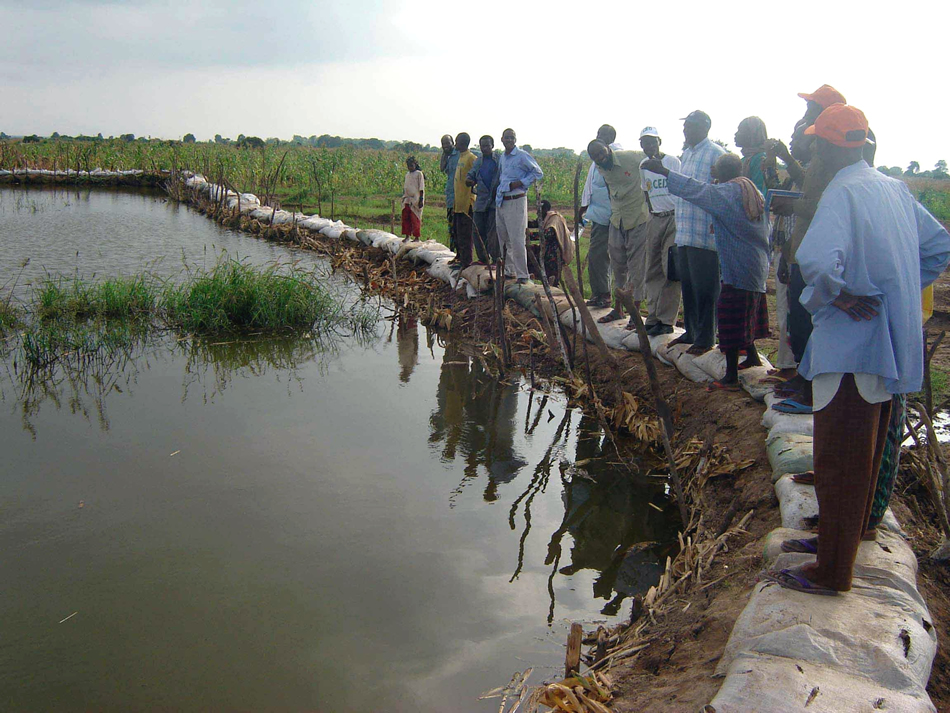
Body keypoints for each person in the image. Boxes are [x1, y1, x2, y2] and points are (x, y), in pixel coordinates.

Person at [761, 104, 950, 595]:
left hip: (850, 347)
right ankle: (836, 543)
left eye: (814, 146)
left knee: (841, 458)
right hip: (884, 346)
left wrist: (840, 295)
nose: (811, 155)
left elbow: (817, 261)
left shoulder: (841, 192)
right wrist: (896, 289)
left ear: (825, 148)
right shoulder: (894, 189)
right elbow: (938, 247)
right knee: (861, 455)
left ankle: (833, 571)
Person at [644, 153, 770, 388]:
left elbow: (695, 190)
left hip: (738, 266)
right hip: (755, 261)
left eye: (716, 168)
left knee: (730, 316)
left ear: (723, 171)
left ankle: (730, 376)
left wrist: (665, 172)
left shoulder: (727, 193)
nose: (712, 171)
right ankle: (752, 356)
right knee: (746, 313)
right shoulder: (749, 188)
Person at [769, 85, 848, 412]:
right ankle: (805, 379)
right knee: (799, 320)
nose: (804, 115)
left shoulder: (834, 158)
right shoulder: (820, 153)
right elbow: (809, 187)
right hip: (803, 246)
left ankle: (812, 388)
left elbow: (824, 203)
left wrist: (792, 206)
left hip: (816, 249)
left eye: (810, 108)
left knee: (807, 321)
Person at [670, 110, 726, 355]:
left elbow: (721, 193)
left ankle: (705, 338)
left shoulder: (716, 154)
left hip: (705, 234)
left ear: (704, 128)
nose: (685, 130)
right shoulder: (687, 154)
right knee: (689, 287)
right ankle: (691, 332)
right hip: (685, 231)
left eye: (690, 126)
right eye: (685, 126)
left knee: (706, 290)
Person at [587, 139, 650, 328]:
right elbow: (610, 189)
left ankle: (635, 313)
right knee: (617, 265)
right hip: (617, 219)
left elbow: (652, 158)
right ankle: (618, 309)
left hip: (638, 219)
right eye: (595, 156)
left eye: (601, 152)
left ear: (608, 148)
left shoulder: (630, 157)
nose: (600, 157)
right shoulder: (600, 167)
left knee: (637, 267)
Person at [638, 127, 681, 336]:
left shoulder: (672, 162)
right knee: (652, 269)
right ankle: (653, 316)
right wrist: (651, 214)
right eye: (645, 143)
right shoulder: (643, 166)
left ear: (659, 142)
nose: (649, 146)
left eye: (652, 142)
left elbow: (680, 188)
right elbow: (646, 192)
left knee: (670, 269)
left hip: (673, 218)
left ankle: (666, 320)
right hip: (655, 218)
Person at [579, 125, 622, 308]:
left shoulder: (617, 156)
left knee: (604, 256)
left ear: (611, 137)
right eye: (597, 134)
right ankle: (598, 293)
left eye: (602, 134)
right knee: (596, 255)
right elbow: (590, 185)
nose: (599, 137)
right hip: (599, 214)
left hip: (613, 215)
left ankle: (605, 295)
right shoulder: (597, 159)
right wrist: (583, 208)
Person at [495, 129, 544, 284]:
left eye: (512, 138)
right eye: (507, 138)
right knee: (504, 239)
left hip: (516, 200)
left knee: (517, 239)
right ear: (502, 139)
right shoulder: (503, 157)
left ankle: (522, 275)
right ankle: (509, 271)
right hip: (502, 200)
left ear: (515, 140)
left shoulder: (522, 156)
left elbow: (538, 173)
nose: (509, 140)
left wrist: (520, 183)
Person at [466, 135, 501, 261]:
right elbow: (471, 174)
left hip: (494, 201)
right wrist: (469, 180)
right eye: (482, 146)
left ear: (492, 146)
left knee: (493, 233)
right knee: (477, 231)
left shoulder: (499, 160)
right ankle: (483, 259)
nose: (484, 148)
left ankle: (495, 259)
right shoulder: (478, 161)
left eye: (487, 146)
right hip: (481, 201)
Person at [451, 133, 478, 269]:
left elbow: (477, 177)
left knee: (466, 235)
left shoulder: (471, 158)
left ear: (463, 143)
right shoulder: (461, 157)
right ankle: (461, 259)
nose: (455, 144)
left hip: (467, 203)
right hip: (458, 202)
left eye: (456, 142)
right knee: (458, 233)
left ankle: (466, 262)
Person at [539, 200, 574, 286]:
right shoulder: (546, 218)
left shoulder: (554, 219)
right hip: (549, 251)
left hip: (554, 253)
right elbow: (534, 224)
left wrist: (529, 235)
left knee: (552, 276)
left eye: (539, 211)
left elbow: (547, 234)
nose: (537, 214)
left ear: (544, 210)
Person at [440, 134, 460, 250]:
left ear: (453, 143)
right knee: (451, 226)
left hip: (460, 196)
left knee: (460, 227)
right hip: (451, 197)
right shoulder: (447, 156)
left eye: (447, 143)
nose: (445, 146)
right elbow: (442, 168)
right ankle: (452, 251)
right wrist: (444, 154)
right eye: (443, 144)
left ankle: (460, 253)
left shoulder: (460, 154)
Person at [400, 156, 424, 239]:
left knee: (415, 218)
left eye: (411, 165)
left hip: (416, 199)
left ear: (415, 165)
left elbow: (421, 188)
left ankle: (416, 237)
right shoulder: (407, 174)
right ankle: (407, 236)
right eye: (408, 166)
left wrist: (421, 200)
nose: (410, 167)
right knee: (406, 218)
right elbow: (405, 187)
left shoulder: (419, 174)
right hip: (407, 198)